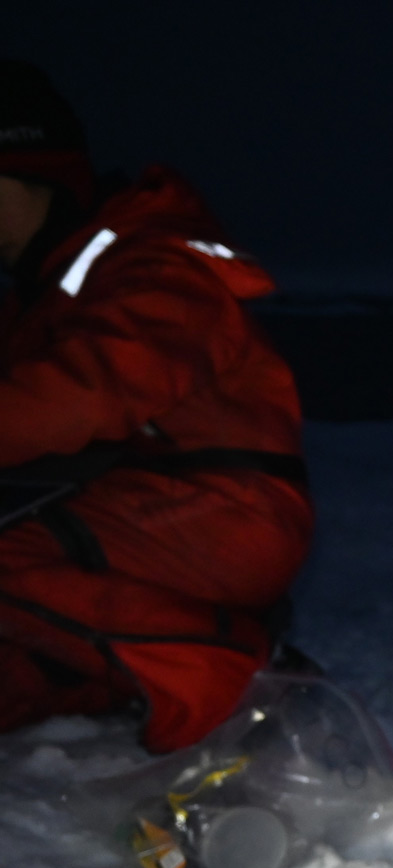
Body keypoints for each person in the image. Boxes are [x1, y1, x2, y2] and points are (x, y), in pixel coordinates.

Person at [0, 62, 311, 752]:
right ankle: (119, 691)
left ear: (39, 178)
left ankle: (223, 672)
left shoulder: (155, 263)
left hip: (223, 513)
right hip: (137, 511)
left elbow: (83, 393)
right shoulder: (50, 287)